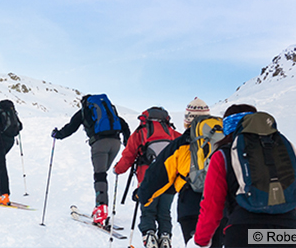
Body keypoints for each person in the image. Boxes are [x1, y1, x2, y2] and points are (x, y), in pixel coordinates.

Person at [190, 104, 296, 248]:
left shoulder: (222, 156)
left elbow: (211, 208)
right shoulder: (281, 154)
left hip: (242, 233)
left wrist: (200, 241)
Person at [137, 98, 226, 247]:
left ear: (187, 120)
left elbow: (159, 174)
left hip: (191, 203)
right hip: (222, 203)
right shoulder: (225, 137)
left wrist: (143, 195)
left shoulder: (181, 143)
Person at [51, 94, 130, 226]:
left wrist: (58, 134)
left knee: (100, 175)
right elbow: (124, 125)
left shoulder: (85, 111)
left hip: (99, 143)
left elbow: (71, 127)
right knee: (102, 174)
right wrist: (128, 143)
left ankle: (101, 209)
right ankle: (100, 206)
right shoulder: (109, 111)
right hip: (115, 143)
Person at [114, 106, 181, 248]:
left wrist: (118, 170)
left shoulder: (140, 133)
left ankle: (149, 237)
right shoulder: (173, 133)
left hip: (147, 179)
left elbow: (128, 156)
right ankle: (165, 238)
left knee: (148, 210)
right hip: (169, 179)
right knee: (164, 212)